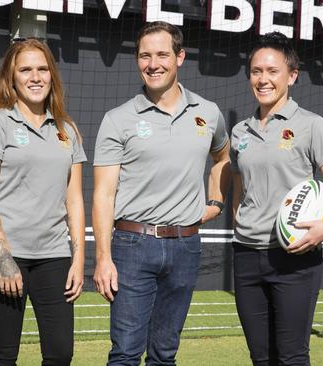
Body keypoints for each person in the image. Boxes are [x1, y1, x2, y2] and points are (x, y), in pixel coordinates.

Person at [92, 21, 230, 365]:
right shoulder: (118, 119)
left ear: (180, 57)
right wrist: (103, 258)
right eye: (144, 55)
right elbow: (103, 195)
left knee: (165, 354)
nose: (153, 64)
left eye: (162, 54)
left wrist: (215, 202)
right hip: (132, 248)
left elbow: (223, 158)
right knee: (124, 353)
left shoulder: (208, 113)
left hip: (186, 247)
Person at [230, 32, 323, 365]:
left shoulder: (311, 126)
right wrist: (241, 223)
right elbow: (240, 186)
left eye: (272, 71)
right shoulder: (240, 131)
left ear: (292, 76)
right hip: (246, 256)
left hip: (294, 258)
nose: (263, 79)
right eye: (256, 71)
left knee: (291, 356)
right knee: (260, 356)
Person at [0, 38, 86, 366]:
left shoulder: (68, 130)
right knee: (5, 355)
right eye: (25, 70)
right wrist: (5, 259)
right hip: (3, 257)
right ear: (12, 77)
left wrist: (78, 260)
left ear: (52, 75)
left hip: (53, 257)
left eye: (42, 69)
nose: (35, 77)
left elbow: (74, 200)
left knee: (61, 353)